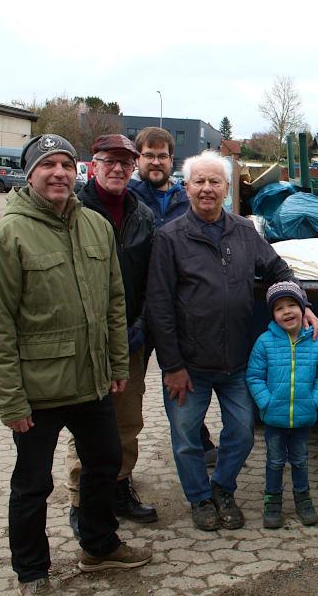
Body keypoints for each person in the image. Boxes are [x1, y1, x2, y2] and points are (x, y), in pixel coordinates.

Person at [0, 134, 151, 595]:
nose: (58, 173)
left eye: (66, 165)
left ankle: (99, 546)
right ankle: (32, 571)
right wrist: (10, 400)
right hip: (38, 390)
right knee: (33, 485)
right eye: (48, 165)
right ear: (30, 173)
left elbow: (116, 301)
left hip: (91, 382)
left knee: (105, 463)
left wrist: (117, 364)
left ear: (79, 172)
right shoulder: (7, 235)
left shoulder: (94, 225)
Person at [145, 150, 318, 531]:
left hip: (237, 362)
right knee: (186, 438)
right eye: (199, 182)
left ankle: (223, 488)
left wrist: (302, 303)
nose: (207, 189)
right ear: (187, 187)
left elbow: (279, 269)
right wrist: (172, 366)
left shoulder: (244, 231)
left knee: (241, 434)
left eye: (215, 182)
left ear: (227, 189)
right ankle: (200, 499)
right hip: (189, 365)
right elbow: (159, 307)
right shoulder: (170, 238)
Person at [64, 134, 158, 535]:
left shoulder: (143, 215)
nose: (118, 168)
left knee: (127, 419)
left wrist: (140, 325)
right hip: (85, 340)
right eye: (109, 161)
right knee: (86, 422)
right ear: (93, 164)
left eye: (125, 162)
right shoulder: (73, 211)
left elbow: (152, 278)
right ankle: (80, 498)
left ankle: (120, 488)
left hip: (130, 338)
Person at [129, 127, 218, 466]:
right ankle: (119, 473)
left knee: (183, 378)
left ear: (171, 160)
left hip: (177, 311)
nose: (155, 161)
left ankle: (196, 437)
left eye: (162, 155)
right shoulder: (128, 198)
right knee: (128, 394)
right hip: (135, 312)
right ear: (139, 158)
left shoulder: (186, 201)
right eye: (148, 155)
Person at [246, 282, 318, 529]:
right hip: (274, 418)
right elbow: (254, 376)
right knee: (274, 461)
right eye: (279, 308)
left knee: (300, 460)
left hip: (303, 417)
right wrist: (266, 403)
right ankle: (272, 501)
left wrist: (313, 401)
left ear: (303, 309)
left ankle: (303, 499)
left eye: (292, 305)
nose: (286, 312)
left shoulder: (316, 341)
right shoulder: (265, 342)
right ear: (272, 315)